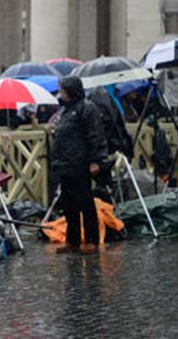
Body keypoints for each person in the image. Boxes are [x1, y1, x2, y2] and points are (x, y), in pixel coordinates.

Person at [52, 76, 108, 255]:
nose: (60, 93)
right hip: (66, 164)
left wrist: (95, 160)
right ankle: (72, 240)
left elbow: (95, 135)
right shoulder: (66, 110)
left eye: (62, 90)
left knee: (85, 202)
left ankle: (92, 239)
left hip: (81, 163)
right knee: (69, 204)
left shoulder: (87, 108)